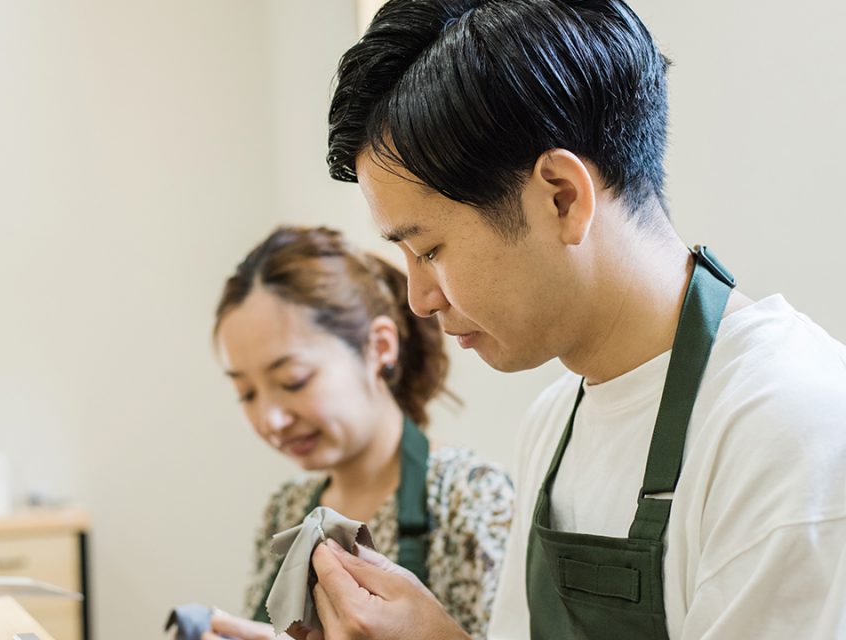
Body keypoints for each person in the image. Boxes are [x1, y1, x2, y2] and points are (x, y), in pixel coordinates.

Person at [291, 1, 846, 639]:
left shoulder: (790, 428)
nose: (419, 298)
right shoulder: (556, 423)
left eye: (430, 250)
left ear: (562, 195)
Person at [199, 225, 514, 640]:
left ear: (379, 346)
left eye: (293, 381)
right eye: (246, 392)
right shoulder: (285, 509)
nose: (271, 419)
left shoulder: (470, 496)